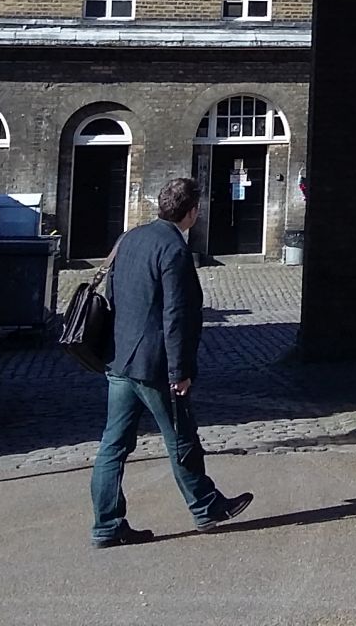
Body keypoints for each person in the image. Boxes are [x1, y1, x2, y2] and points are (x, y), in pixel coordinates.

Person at [89, 176, 253, 547]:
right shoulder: (174, 249)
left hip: (120, 359)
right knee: (181, 437)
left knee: (113, 445)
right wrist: (180, 371)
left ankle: (106, 525)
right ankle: (205, 506)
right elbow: (177, 316)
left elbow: (114, 293)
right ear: (192, 212)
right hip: (154, 365)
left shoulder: (129, 238)